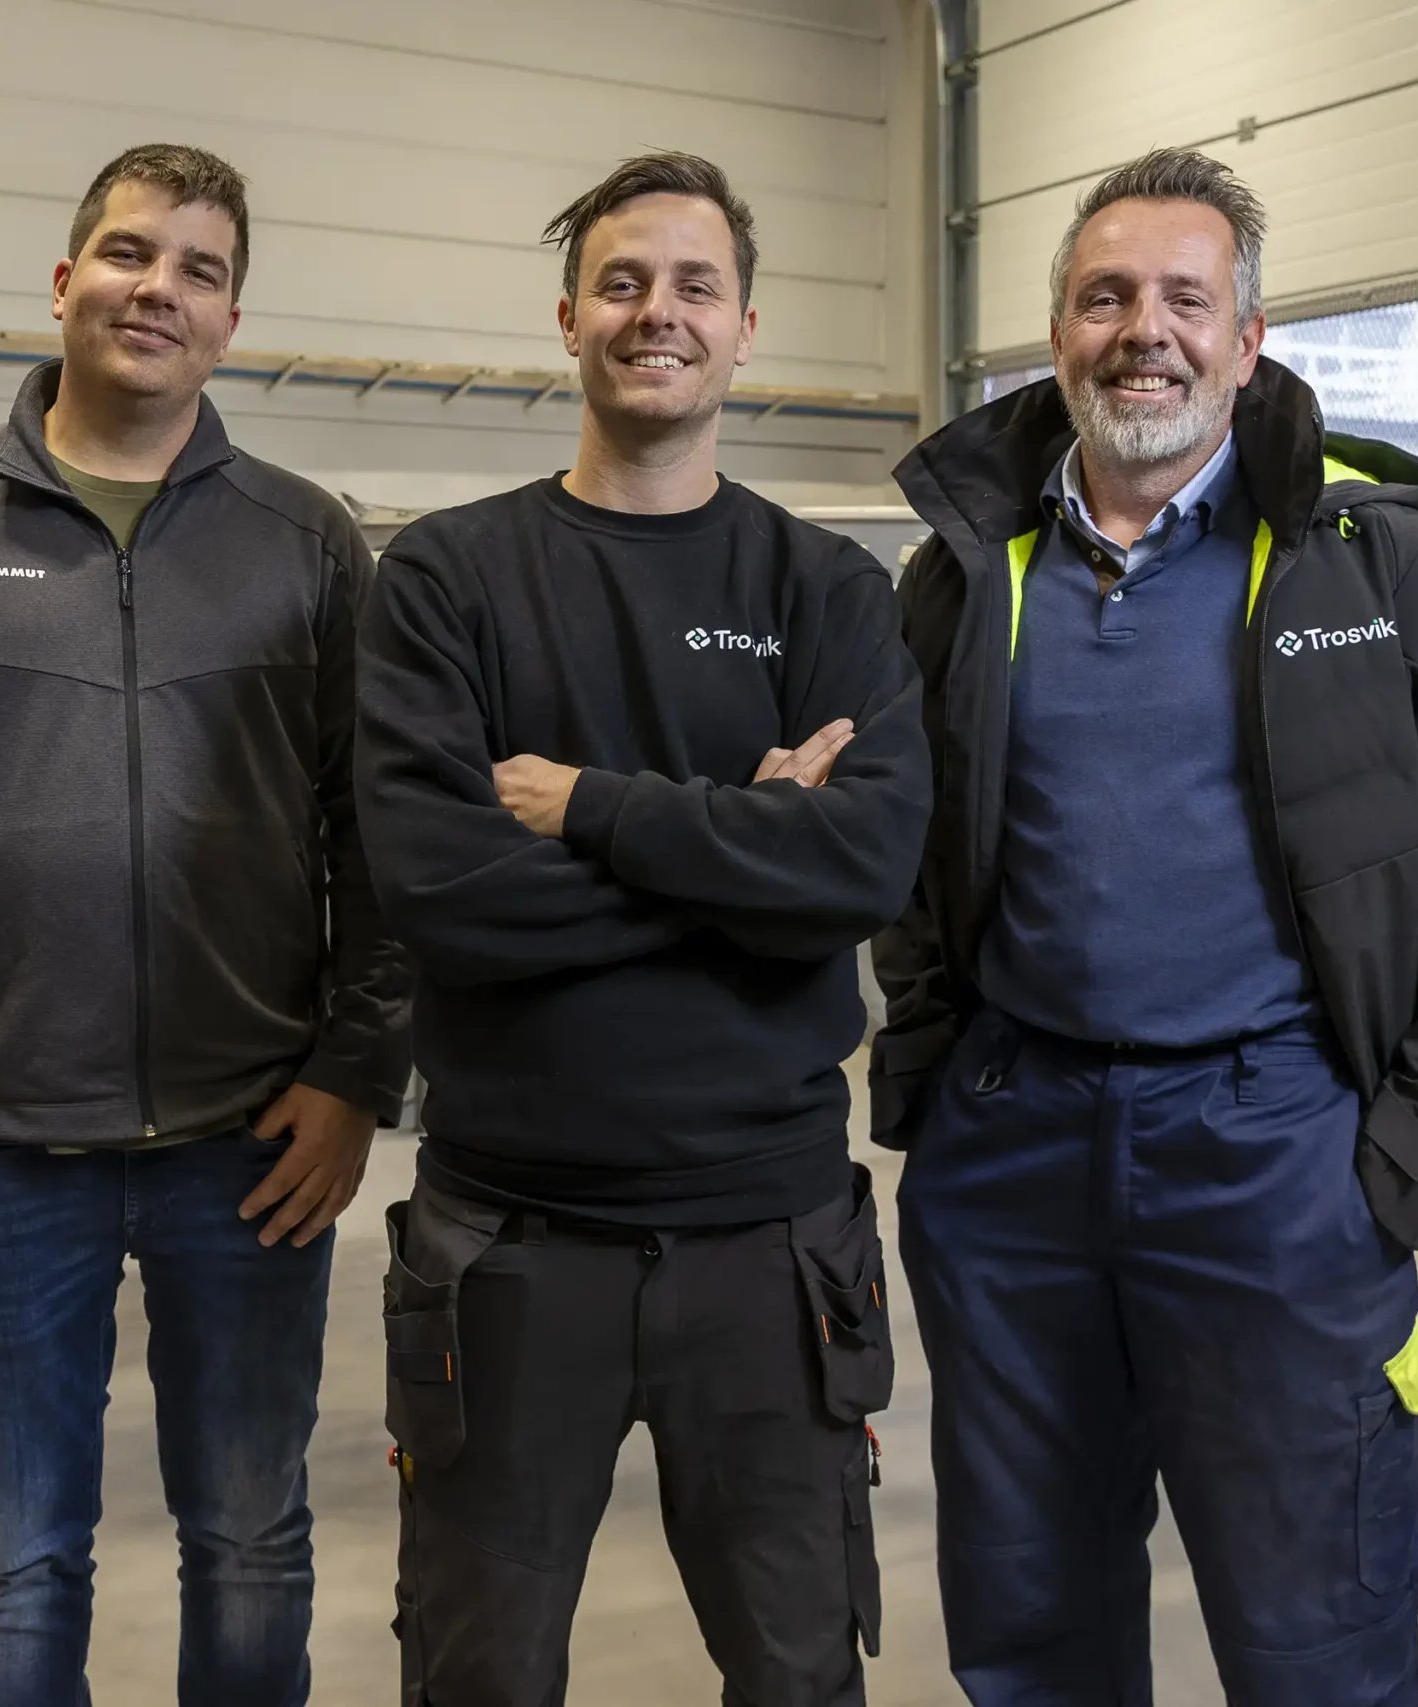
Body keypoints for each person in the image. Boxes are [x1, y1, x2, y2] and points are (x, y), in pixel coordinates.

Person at [870, 148, 1418, 1706]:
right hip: (1015, 1158)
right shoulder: (959, 575)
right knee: (1029, 1618)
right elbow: (913, 859)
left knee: (1313, 1630)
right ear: (1057, 333)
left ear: (1248, 340)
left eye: (1187, 299)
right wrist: (937, 1080)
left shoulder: (1375, 564)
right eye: (1106, 296)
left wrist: (1406, 1137)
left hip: (1280, 1155)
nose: (1148, 331)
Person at [0, 142, 411, 1707]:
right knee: (19, 1549)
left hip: (252, 1141)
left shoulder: (307, 540)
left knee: (252, 1533)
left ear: (233, 320)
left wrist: (357, 1069)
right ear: (65, 284)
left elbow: (380, 831)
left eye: (197, 269)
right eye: (129, 254)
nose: (156, 290)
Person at [353, 150, 933, 1707]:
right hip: (507, 1242)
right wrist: (743, 839)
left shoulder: (826, 587)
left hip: (773, 1244)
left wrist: (599, 809)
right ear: (567, 317)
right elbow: (440, 891)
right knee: (476, 1675)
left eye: (692, 285)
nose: (654, 313)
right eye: (622, 282)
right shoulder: (446, 579)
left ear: (748, 328)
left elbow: (863, 868)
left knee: (802, 1673)